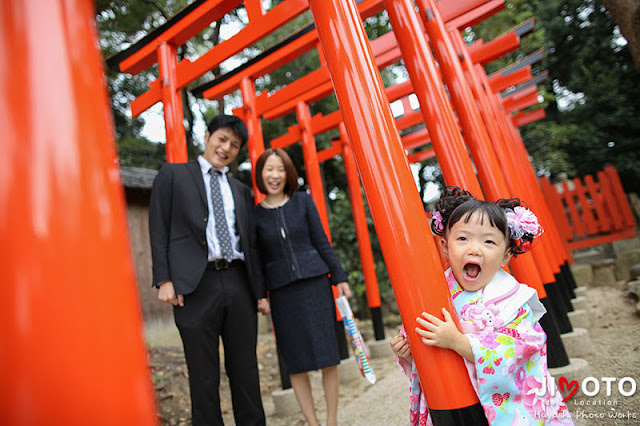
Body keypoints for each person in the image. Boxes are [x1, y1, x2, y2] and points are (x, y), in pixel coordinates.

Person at [390, 186, 573, 425]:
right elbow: (420, 332)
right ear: (445, 246)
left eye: (488, 241)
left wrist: (458, 342)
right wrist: (408, 349)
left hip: (503, 404)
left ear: (506, 255)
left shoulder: (512, 299)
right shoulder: (435, 291)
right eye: (463, 238)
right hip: (453, 397)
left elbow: (523, 347)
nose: (474, 249)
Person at [149, 114, 270, 425]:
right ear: (207, 136)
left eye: (234, 145)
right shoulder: (174, 176)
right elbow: (159, 227)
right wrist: (164, 279)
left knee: (245, 368)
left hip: (238, 280)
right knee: (203, 374)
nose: (226, 148)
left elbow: (251, 244)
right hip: (194, 285)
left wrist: (260, 292)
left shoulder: (240, 190)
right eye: (222, 139)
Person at [253, 148, 352, 426]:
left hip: (316, 285)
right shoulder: (256, 215)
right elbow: (258, 260)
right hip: (282, 293)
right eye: (269, 169)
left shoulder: (303, 202)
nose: (275, 175)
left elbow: (321, 241)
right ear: (261, 174)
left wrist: (339, 276)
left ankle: (331, 420)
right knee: (296, 363)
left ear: (288, 173)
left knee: (327, 356)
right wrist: (261, 295)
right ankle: (313, 422)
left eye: (280, 169)